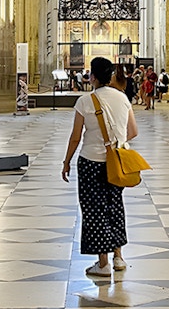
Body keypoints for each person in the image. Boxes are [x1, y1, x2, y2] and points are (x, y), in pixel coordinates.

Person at [62, 57, 138, 277]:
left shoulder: (86, 101)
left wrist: (66, 161)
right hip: (117, 160)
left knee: (95, 211)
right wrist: (117, 141)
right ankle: (119, 257)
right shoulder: (122, 98)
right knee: (115, 205)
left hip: (91, 162)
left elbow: (75, 137)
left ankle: (102, 263)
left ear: (92, 77)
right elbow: (133, 130)